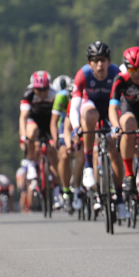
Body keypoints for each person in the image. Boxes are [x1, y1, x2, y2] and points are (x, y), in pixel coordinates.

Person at [70, 41, 124, 214]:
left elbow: (124, 103)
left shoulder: (117, 73)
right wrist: (76, 126)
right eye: (95, 60)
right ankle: (88, 167)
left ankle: (120, 197)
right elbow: (75, 105)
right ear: (89, 63)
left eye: (103, 60)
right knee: (89, 114)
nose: (100, 64)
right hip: (91, 105)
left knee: (114, 150)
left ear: (109, 61)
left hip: (110, 108)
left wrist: (119, 127)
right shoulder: (83, 75)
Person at [110, 47, 139, 205]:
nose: (136, 73)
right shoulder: (120, 80)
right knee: (128, 125)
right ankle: (129, 175)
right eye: (132, 69)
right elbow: (113, 107)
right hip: (130, 111)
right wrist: (115, 126)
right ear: (126, 68)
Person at [19, 70, 60, 198]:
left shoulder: (55, 94)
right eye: (38, 90)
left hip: (50, 122)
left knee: (53, 154)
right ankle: (31, 164)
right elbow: (23, 117)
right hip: (34, 121)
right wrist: (23, 137)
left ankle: (57, 192)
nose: (42, 93)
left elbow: (59, 118)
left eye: (44, 90)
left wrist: (57, 138)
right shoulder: (28, 94)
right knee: (31, 132)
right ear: (33, 88)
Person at [50, 75, 81, 211]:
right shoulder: (61, 97)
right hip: (64, 123)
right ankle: (66, 190)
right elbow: (53, 122)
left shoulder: (84, 96)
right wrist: (56, 139)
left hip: (81, 121)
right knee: (64, 154)